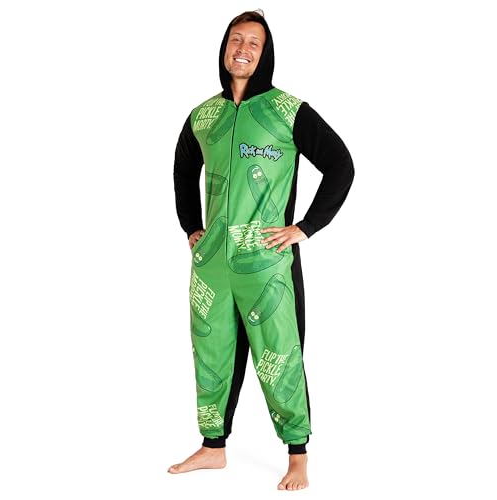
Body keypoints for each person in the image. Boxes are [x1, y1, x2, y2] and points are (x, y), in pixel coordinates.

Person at [170, 9, 354, 491]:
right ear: (224, 47)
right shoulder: (203, 115)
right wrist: (191, 226)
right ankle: (213, 447)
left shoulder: (286, 110)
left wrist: (305, 228)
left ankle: (297, 455)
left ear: (265, 53)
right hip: (212, 264)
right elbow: (183, 168)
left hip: (267, 262)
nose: (244, 49)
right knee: (211, 352)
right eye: (237, 39)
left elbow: (341, 164)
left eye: (254, 42)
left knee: (280, 354)